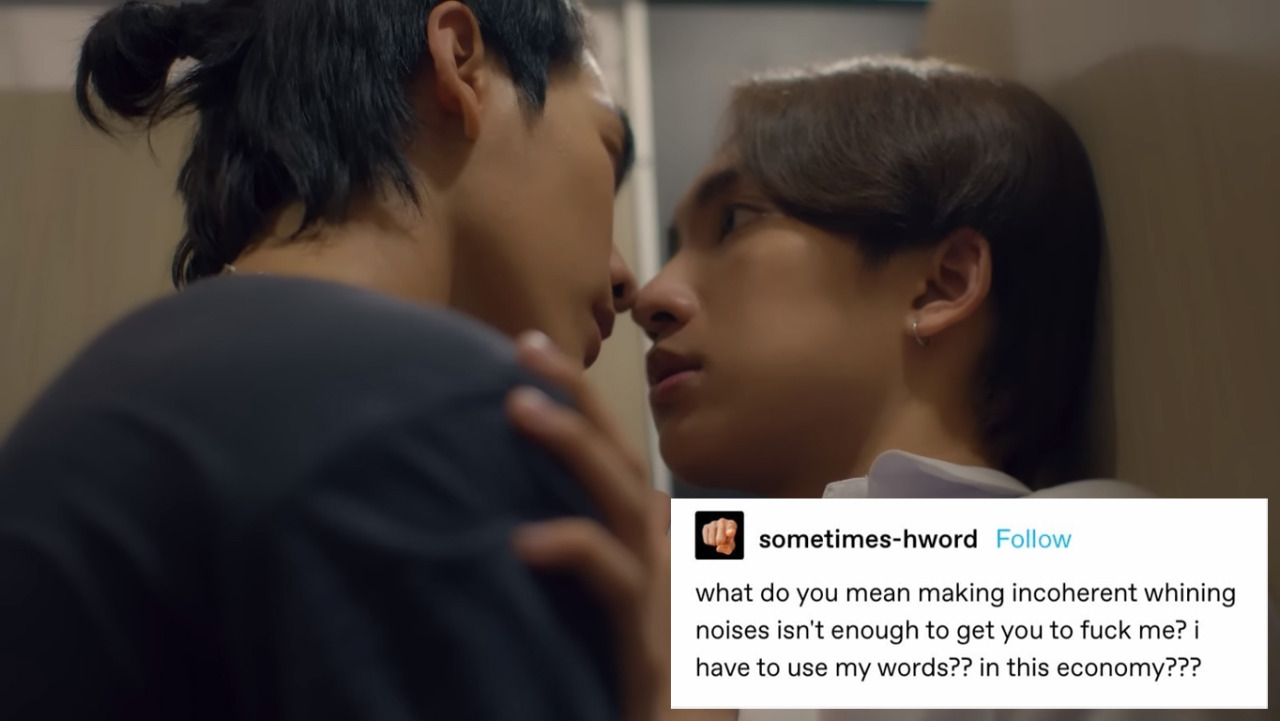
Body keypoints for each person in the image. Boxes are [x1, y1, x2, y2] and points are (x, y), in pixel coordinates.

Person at [507, 57, 1275, 720]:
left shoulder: (1123, 568)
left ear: (941, 284)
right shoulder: (694, 586)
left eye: (736, 220)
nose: (648, 296)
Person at [0, 1, 665, 720]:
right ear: (461, 61)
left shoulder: (113, 389)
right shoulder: (435, 416)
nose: (634, 283)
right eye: (607, 147)